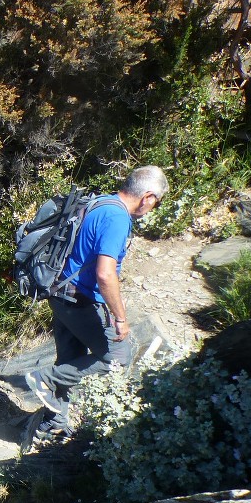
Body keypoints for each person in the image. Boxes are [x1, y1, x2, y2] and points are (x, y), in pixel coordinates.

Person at [25, 165, 169, 438]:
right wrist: (120, 318)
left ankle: (55, 420)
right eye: (156, 204)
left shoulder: (100, 202)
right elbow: (105, 273)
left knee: (71, 359)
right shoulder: (117, 218)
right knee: (117, 358)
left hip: (58, 293)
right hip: (81, 300)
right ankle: (45, 378)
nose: (153, 209)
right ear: (148, 197)